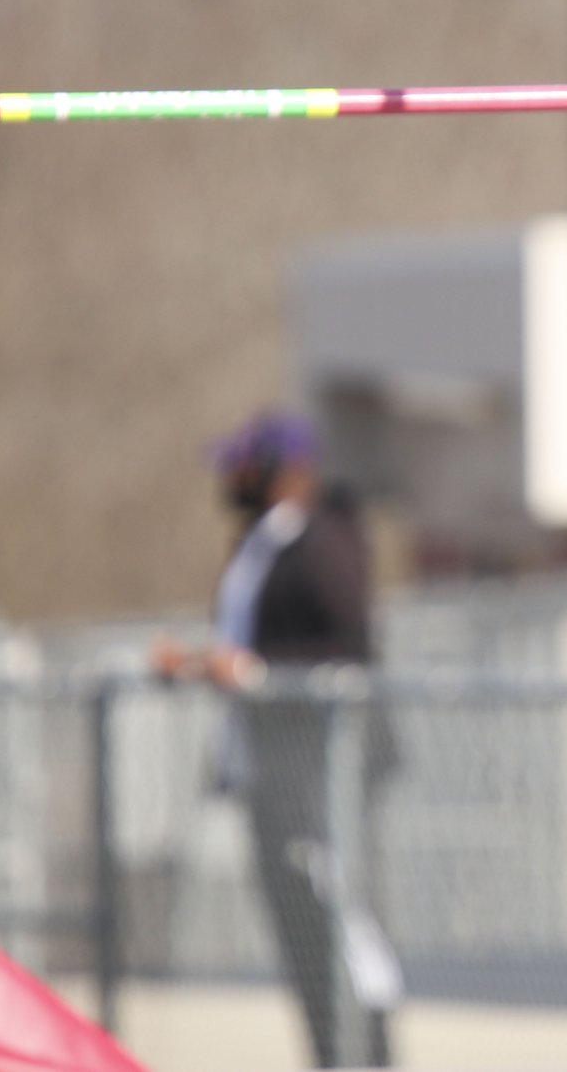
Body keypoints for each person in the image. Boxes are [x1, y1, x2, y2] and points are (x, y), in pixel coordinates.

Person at [152, 411, 398, 1069]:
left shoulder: (322, 540)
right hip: (271, 775)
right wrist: (205, 664)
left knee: (342, 928)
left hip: (323, 776)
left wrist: (260, 673)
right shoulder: (257, 545)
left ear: (284, 471)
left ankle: (368, 1057)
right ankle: (330, 1056)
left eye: (244, 466)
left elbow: (350, 648)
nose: (232, 480)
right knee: (302, 940)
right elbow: (253, 649)